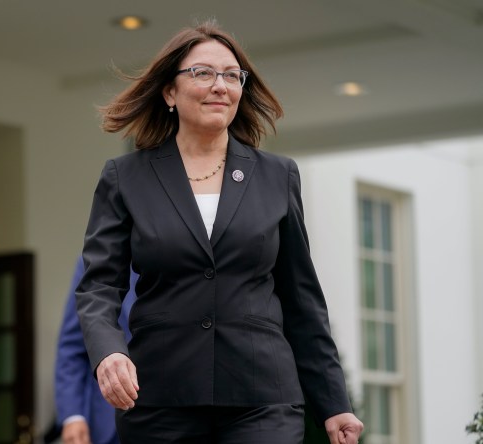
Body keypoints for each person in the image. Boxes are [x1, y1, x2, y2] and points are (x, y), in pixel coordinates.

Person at [75, 20, 364, 444]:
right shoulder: (126, 177)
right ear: (170, 92)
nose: (220, 86)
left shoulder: (277, 176)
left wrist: (334, 401)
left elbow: (302, 298)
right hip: (160, 396)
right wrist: (108, 352)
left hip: (263, 397)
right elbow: (99, 285)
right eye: (202, 73)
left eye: (232, 75)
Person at [54, 258, 138, 444]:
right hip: (108, 422)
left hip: (176, 413)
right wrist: (72, 415)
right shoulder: (95, 258)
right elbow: (72, 346)